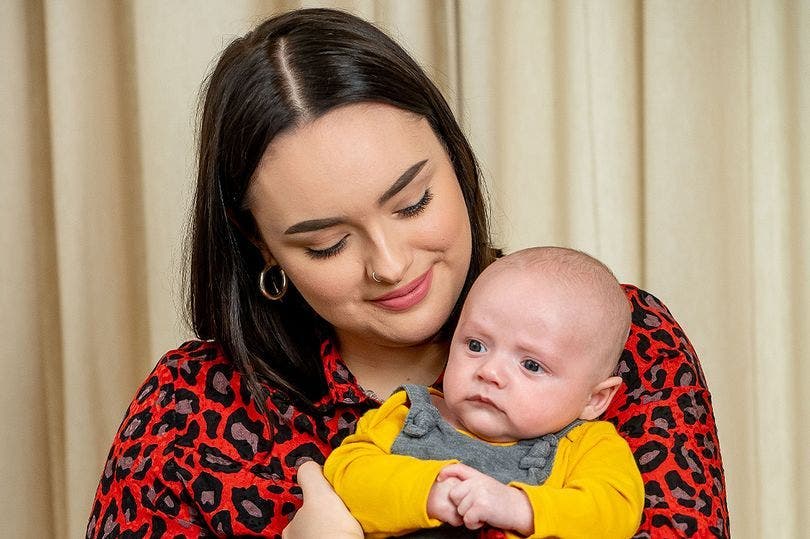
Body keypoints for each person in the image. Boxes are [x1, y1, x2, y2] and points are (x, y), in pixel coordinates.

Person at [86, 7, 729, 539]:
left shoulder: (616, 338)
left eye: (412, 203)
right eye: (328, 244)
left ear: (454, 158)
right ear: (261, 246)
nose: (391, 266)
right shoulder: (189, 413)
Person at [324, 247, 645, 538]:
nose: (489, 372)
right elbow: (346, 474)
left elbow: (614, 514)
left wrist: (520, 507)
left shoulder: (588, 448)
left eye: (531, 365)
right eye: (476, 345)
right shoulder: (411, 415)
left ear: (594, 399)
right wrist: (430, 492)